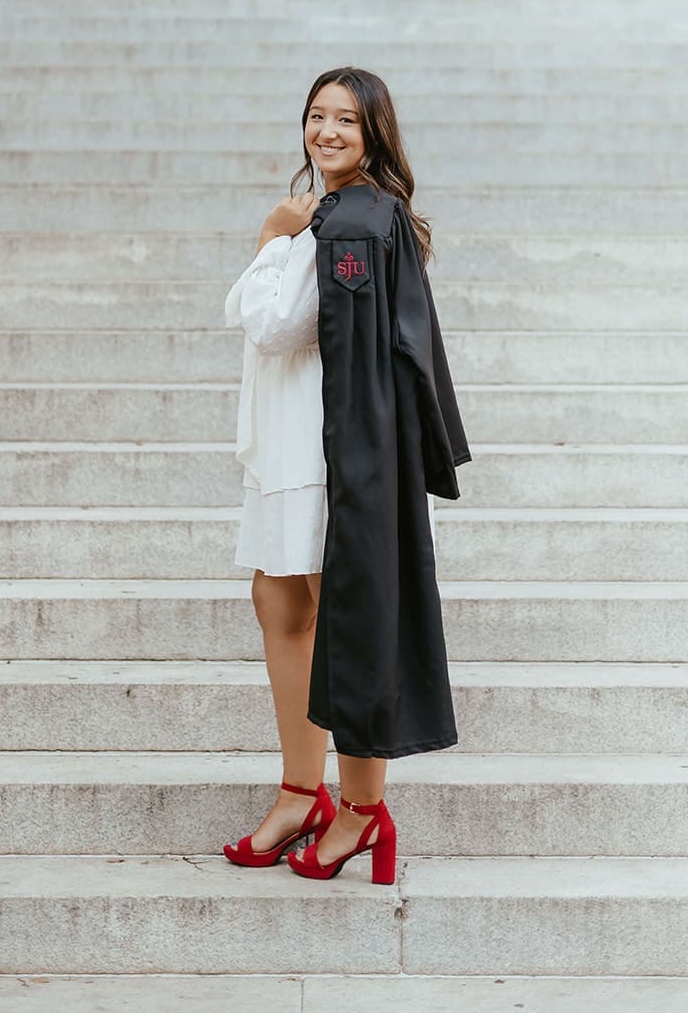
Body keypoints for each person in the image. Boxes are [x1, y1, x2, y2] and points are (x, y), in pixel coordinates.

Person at [222, 66, 461, 884]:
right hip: (289, 446)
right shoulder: (331, 216)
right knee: (278, 600)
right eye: (316, 116)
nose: (326, 132)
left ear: (374, 136)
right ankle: (300, 791)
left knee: (343, 616)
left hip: (329, 454)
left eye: (346, 122)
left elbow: (273, 323)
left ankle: (361, 808)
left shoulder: (350, 220)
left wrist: (269, 237)